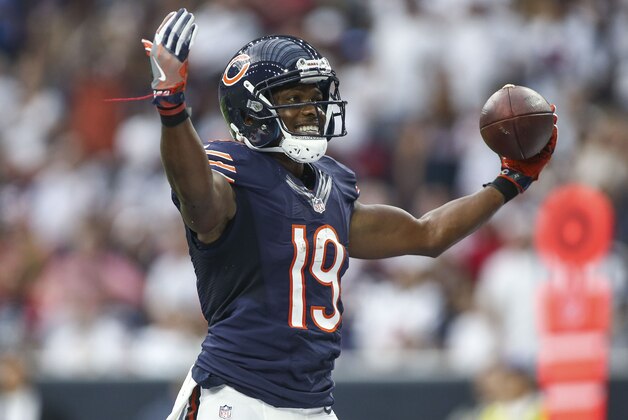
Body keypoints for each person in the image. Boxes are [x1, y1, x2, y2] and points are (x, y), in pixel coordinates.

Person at [141, 8, 558, 420]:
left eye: (315, 97)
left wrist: (511, 181)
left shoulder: (333, 186)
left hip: (311, 404)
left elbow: (427, 234)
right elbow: (196, 197)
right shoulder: (230, 173)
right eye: (292, 99)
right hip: (235, 395)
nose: (310, 109)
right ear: (250, 112)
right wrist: (172, 105)